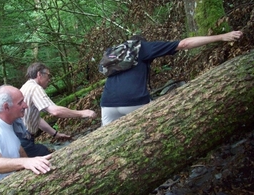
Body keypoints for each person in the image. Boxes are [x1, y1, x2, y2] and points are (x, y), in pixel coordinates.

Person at [100, 30, 243, 126]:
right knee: (156, 131)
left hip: (107, 104)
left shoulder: (114, 54)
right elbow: (184, 44)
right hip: (133, 101)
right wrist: (221, 37)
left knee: (107, 144)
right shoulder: (142, 47)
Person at [0, 85, 52, 194]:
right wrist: (26, 162)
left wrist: (29, 163)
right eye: (20, 102)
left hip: (6, 183)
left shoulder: (10, 122)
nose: (26, 105)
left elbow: (19, 148)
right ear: (6, 107)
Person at [18, 62, 97, 157]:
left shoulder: (26, 87)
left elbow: (36, 119)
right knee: (47, 157)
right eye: (48, 75)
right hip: (23, 139)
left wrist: (55, 134)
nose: (49, 79)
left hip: (21, 138)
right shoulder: (35, 88)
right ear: (39, 74)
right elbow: (55, 111)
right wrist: (83, 113)